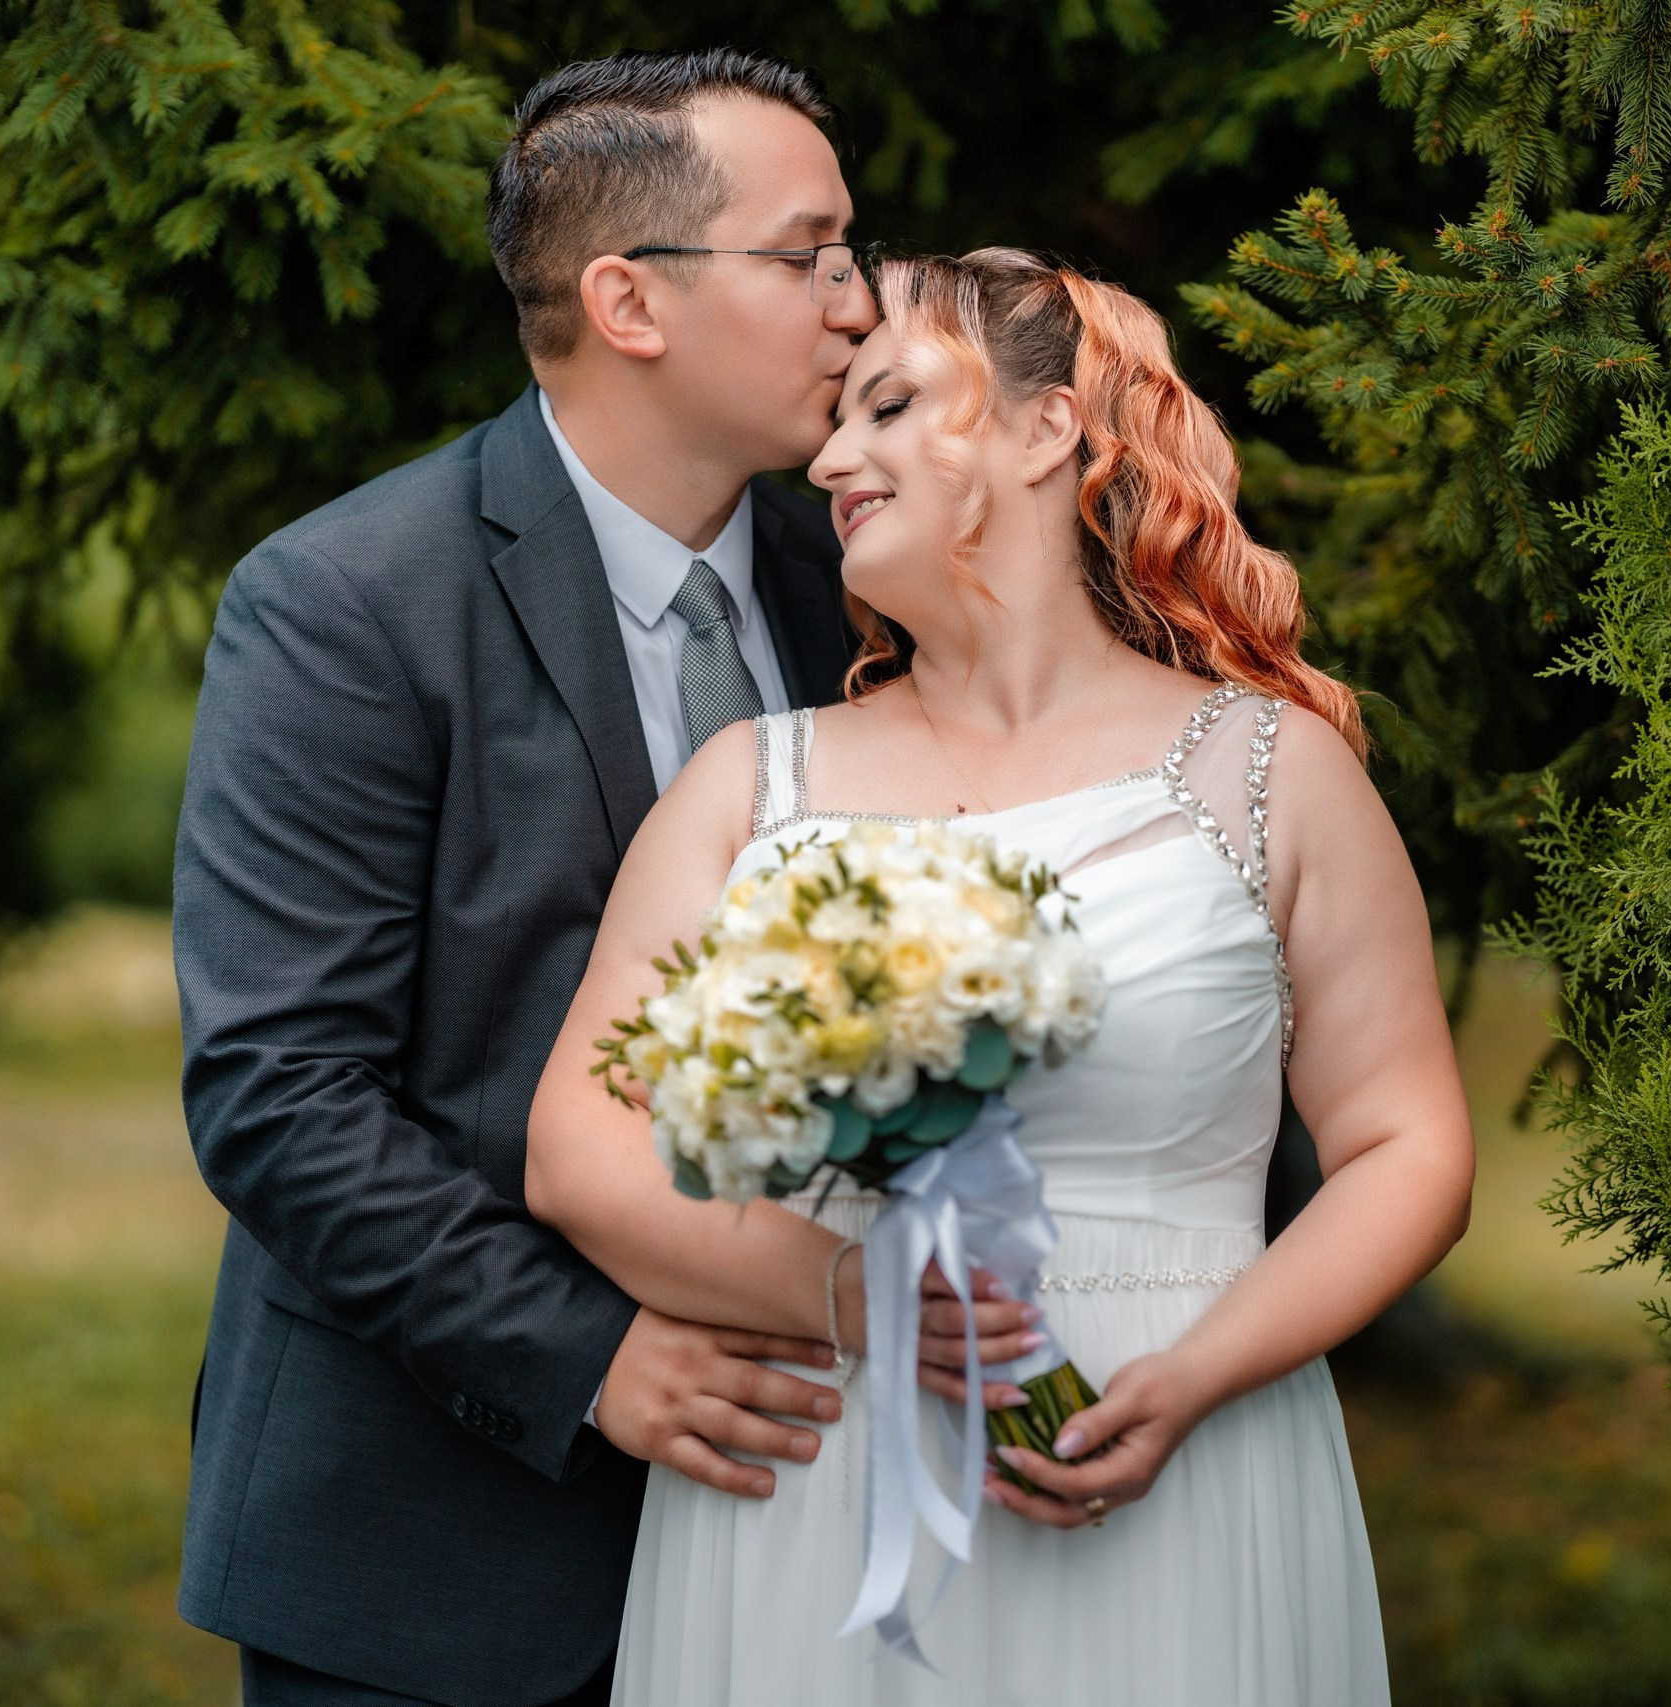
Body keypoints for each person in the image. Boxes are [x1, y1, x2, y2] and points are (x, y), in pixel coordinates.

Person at [171, 51, 1026, 1706]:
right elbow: (280, 1093)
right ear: (630, 301)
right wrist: (591, 1357)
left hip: (827, 1527)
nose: (860, 305)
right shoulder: (346, 604)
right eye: (809, 255)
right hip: (435, 1538)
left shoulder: (867, 588)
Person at [524, 248, 1478, 1705]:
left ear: (1048, 430)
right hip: (831, 1479)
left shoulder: (1270, 773)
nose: (829, 459)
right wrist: (853, 1296)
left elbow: (1408, 1148)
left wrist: (1197, 1374)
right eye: (835, 419)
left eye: (891, 405)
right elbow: (582, 1146)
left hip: (1193, 1461)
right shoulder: (748, 786)